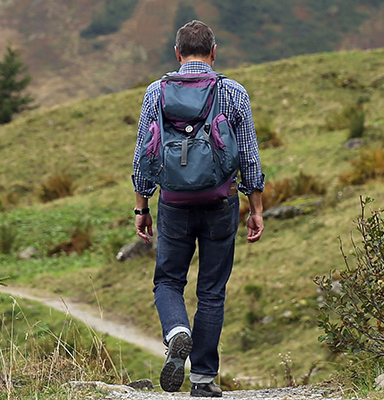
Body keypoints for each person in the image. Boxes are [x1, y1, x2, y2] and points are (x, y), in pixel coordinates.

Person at [132, 20, 264, 397]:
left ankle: (177, 331)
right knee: (211, 290)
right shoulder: (233, 92)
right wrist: (255, 207)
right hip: (221, 202)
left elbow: (144, 154)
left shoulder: (156, 92)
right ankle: (203, 379)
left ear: (177, 53)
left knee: (168, 280)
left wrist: (142, 206)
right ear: (213, 52)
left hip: (173, 203)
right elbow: (250, 157)